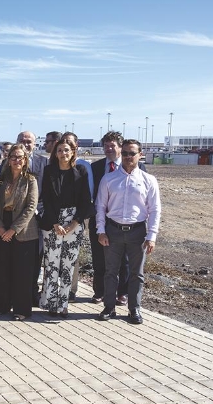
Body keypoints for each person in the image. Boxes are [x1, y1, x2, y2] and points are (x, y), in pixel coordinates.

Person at [96, 139, 160, 324]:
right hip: (113, 231)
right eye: (124, 153)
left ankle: (134, 309)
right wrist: (101, 231)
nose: (127, 157)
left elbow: (155, 209)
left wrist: (152, 236)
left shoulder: (148, 180)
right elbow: (100, 206)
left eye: (132, 153)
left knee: (136, 274)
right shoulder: (109, 179)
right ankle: (109, 307)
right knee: (110, 272)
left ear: (140, 155)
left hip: (137, 232)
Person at [89, 131, 147, 305]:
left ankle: (122, 292)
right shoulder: (96, 167)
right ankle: (100, 292)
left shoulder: (136, 168)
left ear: (120, 148)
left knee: (125, 259)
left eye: (112, 145)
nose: (108, 149)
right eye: (105, 146)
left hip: (124, 221)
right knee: (99, 257)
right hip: (100, 218)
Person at [38, 137, 94, 318]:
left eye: (66, 150)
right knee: (52, 264)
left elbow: (86, 200)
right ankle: (51, 303)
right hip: (52, 223)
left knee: (68, 265)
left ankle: (63, 304)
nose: (63, 154)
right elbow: (45, 199)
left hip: (74, 223)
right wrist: (55, 223)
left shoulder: (81, 171)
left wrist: (74, 223)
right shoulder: (49, 171)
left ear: (73, 152)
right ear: (55, 153)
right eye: (60, 150)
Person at [0, 145, 39, 320]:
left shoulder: (31, 180)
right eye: (13, 157)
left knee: (23, 273)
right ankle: (3, 306)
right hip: (2, 226)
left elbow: (31, 208)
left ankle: (21, 309)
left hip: (24, 231)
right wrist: (0, 227)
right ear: (8, 159)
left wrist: (13, 229)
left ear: (25, 160)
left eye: (20, 157)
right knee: (3, 270)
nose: (17, 160)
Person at [62, 132, 94, 302]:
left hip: (75, 220)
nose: (67, 146)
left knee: (72, 257)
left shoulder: (83, 166)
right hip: (57, 221)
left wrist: (77, 220)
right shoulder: (55, 164)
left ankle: (71, 289)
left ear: (76, 145)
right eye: (64, 143)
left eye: (70, 143)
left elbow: (87, 197)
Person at [17, 131, 48, 306]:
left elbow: (48, 192)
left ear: (35, 144)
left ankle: (32, 292)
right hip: (14, 220)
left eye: (29, 141)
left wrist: (37, 210)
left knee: (36, 257)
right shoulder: (9, 162)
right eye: (22, 141)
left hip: (37, 218)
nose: (26, 144)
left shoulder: (44, 163)